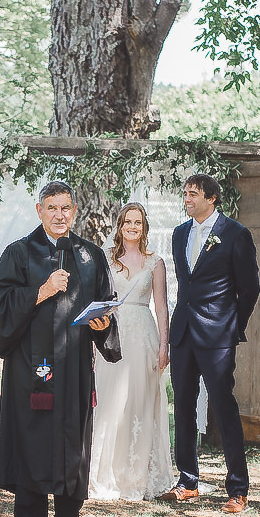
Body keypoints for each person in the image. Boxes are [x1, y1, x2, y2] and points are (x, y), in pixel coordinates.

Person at [0, 180, 121, 517]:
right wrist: (42, 291)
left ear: (74, 211)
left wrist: (104, 324)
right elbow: (0, 305)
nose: (59, 215)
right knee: (32, 434)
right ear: (39, 210)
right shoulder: (19, 253)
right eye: (52, 208)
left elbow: (105, 302)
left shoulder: (90, 255)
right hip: (32, 366)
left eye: (66, 208)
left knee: (73, 437)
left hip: (75, 363)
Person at [162, 173, 259, 514]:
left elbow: (250, 289)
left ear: (212, 198)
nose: (187, 199)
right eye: (185, 193)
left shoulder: (235, 234)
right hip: (183, 333)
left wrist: (232, 326)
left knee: (223, 407)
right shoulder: (179, 233)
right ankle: (188, 482)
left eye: (193, 194)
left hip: (218, 335)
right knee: (183, 407)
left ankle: (237, 489)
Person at [89, 202, 174, 501]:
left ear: (144, 227)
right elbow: (98, 299)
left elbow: (162, 306)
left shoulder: (156, 262)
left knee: (139, 401)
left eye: (138, 222)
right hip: (112, 334)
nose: (133, 227)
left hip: (144, 336)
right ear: (120, 226)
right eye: (128, 222)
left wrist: (165, 344)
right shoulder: (107, 259)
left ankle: (137, 474)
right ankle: (105, 473)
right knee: (111, 401)